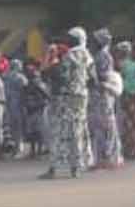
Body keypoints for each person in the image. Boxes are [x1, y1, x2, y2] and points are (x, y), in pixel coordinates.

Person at [40, 28, 95, 179]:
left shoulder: (69, 56)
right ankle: (76, 167)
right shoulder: (88, 56)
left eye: (70, 38)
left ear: (77, 39)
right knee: (78, 130)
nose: (67, 41)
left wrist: (50, 64)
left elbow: (59, 76)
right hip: (82, 97)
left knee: (59, 131)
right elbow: (93, 79)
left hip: (65, 98)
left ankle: (54, 168)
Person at [88, 29, 123, 169]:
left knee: (106, 125)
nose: (92, 43)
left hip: (103, 93)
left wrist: (91, 78)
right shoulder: (98, 55)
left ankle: (109, 157)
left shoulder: (104, 56)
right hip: (98, 94)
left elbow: (104, 76)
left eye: (95, 41)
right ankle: (102, 158)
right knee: (99, 126)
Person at [22, 60, 51, 159]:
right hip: (30, 109)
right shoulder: (28, 83)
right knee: (32, 132)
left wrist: (43, 104)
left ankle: (37, 151)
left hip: (38, 109)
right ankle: (33, 151)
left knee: (38, 132)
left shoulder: (37, 83)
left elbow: (46, 94)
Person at [3, 55, 27, 156]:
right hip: (18, 103)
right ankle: (18, 147)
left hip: (8, 103)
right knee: (18, 126)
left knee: (11, 126)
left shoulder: (6, 76)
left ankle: (14, 148)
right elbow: (25, 89)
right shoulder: (21, 77)